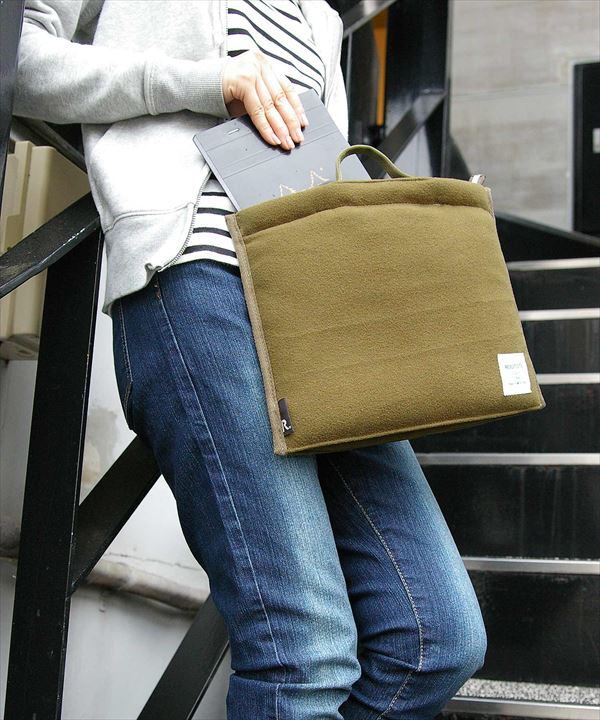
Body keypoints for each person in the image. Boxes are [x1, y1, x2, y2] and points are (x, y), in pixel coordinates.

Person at [13, 1, 487, 718]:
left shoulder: (319, 14)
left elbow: (317, 164)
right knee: (305, 653)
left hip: (320, 308)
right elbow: (18, 61)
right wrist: (205, 80)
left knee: (435, 638)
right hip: (196, 281)